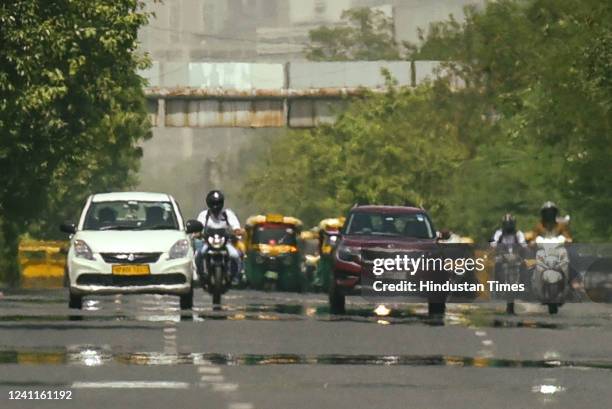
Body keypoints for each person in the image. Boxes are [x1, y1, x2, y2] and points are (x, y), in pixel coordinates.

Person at [195, 190, 242, 283]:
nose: (216, 206)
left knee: (235, 255)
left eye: (218, 203)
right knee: (198, 255)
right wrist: (197, 232)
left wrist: (237, 231)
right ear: (209, 203)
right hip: (208, 243)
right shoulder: (204, 215)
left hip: (225, 243)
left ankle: (235, 275)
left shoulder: (227, 214)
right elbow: (198, 226)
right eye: (213, 203)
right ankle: (200, 274)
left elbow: (236, 226)